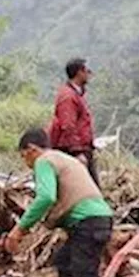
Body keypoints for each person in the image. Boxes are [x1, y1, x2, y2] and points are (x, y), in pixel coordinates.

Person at [5, 128, 113, 277]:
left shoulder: (44, 161)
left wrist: (19, 230)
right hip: (100, 218)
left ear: (32, 150)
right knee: (62, 265)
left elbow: (46, 197)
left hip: (86, 222)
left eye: (24, 156)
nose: (26, 163)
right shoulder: (65, 159)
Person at [49, 57, 98, 186]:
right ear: (79, 72)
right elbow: (68, 126)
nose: (89, 74)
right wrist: (77, 152)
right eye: (87, 71)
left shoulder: (76, 95)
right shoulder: (68, 96)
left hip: (81, 149)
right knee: (87, 189)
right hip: (73, 151)